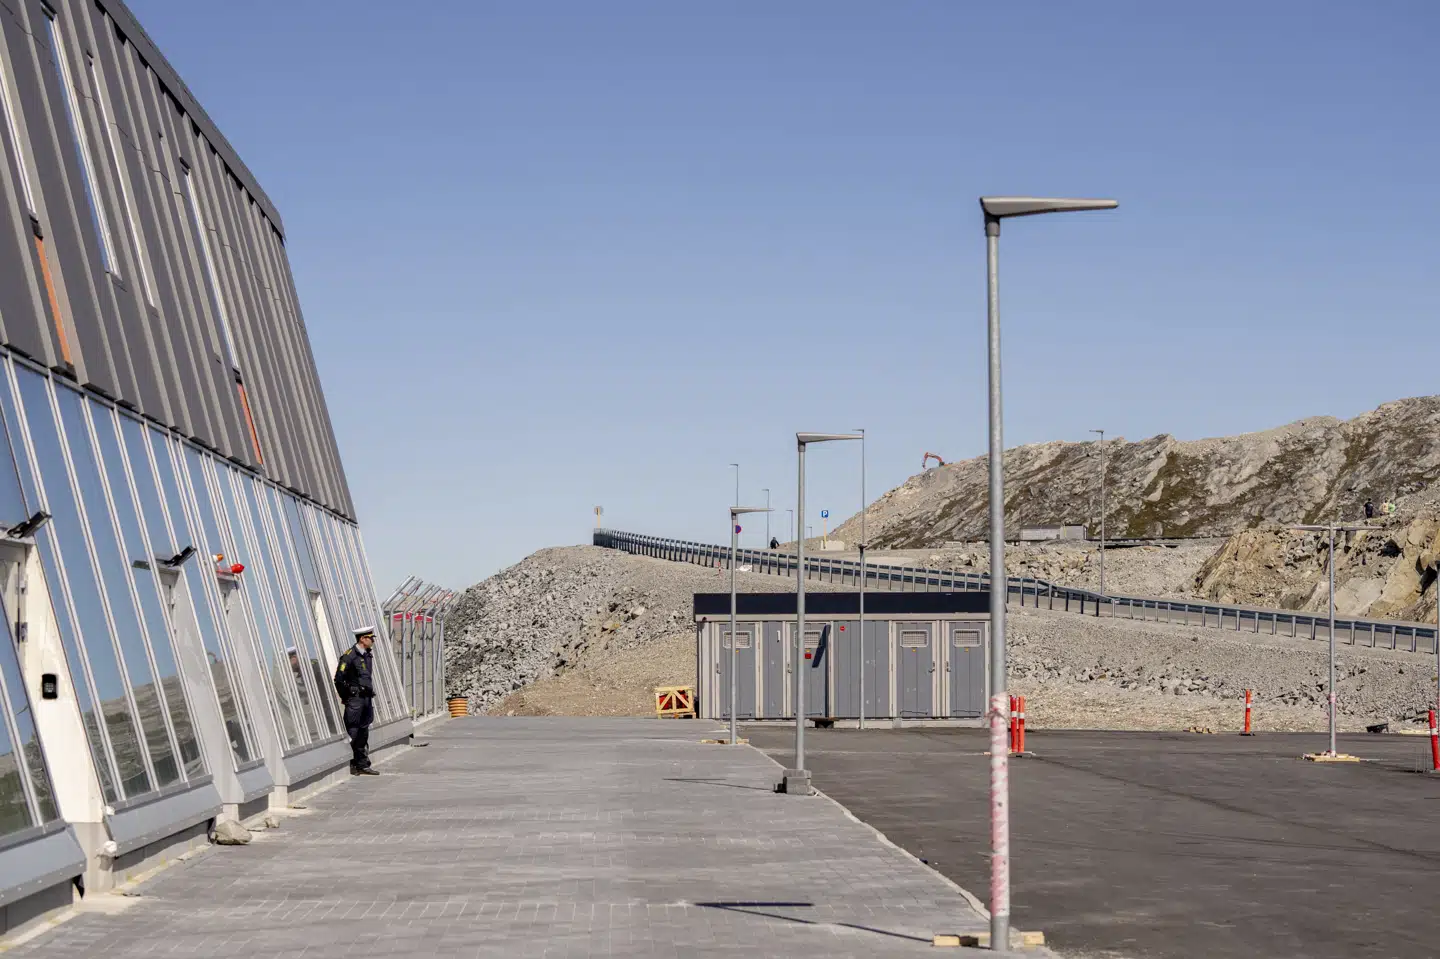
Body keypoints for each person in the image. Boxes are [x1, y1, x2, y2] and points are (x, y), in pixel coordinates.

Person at [334, 626, 379, 775]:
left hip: (366, 698)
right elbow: (338, 679)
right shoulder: (349, 656)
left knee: (363, 731)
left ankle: (362, 764)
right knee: (352, 731)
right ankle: (351, 763)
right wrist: (346, 697)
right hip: (355, 700)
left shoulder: (367, 655)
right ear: (362, 639)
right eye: (370, 638)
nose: (372, 640)